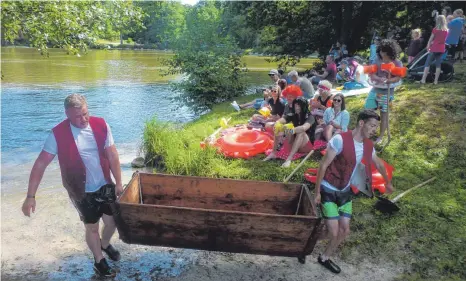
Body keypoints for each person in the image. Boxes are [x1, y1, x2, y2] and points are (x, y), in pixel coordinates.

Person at [21, 94, 123, 277]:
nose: (83, 119)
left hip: (105, 184)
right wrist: (30, 196)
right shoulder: (57, 134)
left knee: (112, 222)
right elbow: (40, 164)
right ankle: (99, 261)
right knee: (91, 227)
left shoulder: (101, 125)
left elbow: (113, 155)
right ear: (67, 114)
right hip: (79, 190)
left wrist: (119, 183)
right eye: (77, 116)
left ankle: (105, 243)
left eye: (85, 113)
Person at [314, 109, 394, 274]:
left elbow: (378, 164)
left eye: (376, 127)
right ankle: (309, 239)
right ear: (361, 123)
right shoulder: (339, 140)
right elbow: (323, 165)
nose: (374, 130)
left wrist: (388, 183)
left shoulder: (368, 145)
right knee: (333, 231)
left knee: (344, 230)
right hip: (328, 189)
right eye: (372, 126)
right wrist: (317, 193)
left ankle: (325, 257)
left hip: (345, 191)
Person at [264, 86, 316, 168]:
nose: (297, 107)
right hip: (295, 143)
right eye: (296, 105)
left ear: (304, 107)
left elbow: (303, 128)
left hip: (306, 146)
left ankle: (289, 159)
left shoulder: (310, 117)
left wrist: (291, 131)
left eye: (299, 106)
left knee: (300, 132)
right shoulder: (292, 114)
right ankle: (274, 153)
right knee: (279, 128)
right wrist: (277, 124)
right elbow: (282, 120)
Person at [364, 39, 403, 143]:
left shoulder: (397, 62)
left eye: (384, 52)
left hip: (386, 93)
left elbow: (398, 78)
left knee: (384, 114)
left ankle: (380, 137)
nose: (382, 54)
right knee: (368, 111)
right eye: (380, 51)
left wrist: (388, 80)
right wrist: (378, 78)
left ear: (390, 52)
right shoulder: (377, 59)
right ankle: (366, 133)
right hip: (375, 90)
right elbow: (371, 73)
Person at [419, 15, 449, 85]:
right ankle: (435, 81)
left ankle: (423, 80)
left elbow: (430, 39)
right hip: (441, 48)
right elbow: (444, 40)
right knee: (438, 65)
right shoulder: (446, 30)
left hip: (434, 48)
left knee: (427, 64)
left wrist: (428, 46)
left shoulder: (435, 29)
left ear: (437, 21)